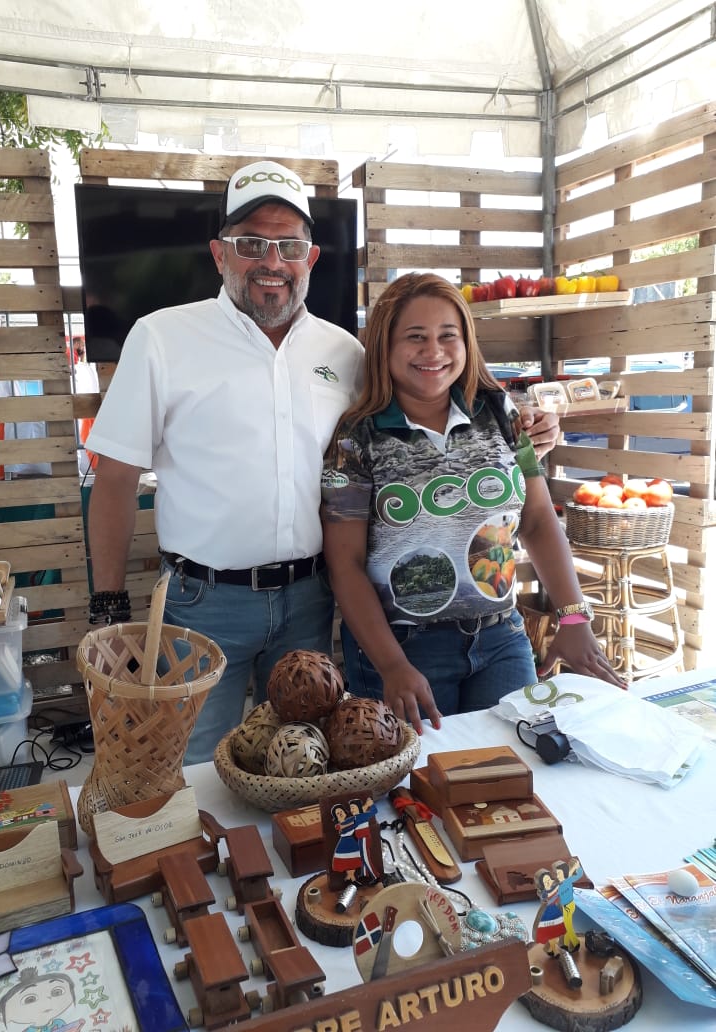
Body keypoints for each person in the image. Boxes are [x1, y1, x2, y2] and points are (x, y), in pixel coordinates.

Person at [85, 161, 562, 764]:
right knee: (193, 767)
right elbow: (117, 477)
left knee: (302, 767)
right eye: (251, 243)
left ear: (311, 258)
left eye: (289, 245)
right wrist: (107, 605)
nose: (271, 261)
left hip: (312, 599)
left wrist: (528, 435)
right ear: (219, 254)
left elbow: (429, 418)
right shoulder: (161, 339)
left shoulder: (345, 350)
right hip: (203, 604)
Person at [321, 272, 623, 734]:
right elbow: (346, 564)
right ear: (384, 345)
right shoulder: (356, 437)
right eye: (415, 337)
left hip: (502, 640)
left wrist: (574, 617)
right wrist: (391, 664)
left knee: (514, 776)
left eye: (448, 336)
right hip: (404, 647)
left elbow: (538, 521)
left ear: (467, 343)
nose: (434, 352)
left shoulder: (499, 413)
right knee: (414, 790)